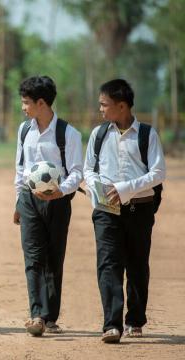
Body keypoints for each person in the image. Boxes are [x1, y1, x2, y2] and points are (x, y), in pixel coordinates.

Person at [83, 79, 166, 343]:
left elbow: (158, 172)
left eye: (104, 105)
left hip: (139, 209)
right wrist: (97, 191)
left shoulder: (147, 134)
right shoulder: (98, 134)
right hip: (106, 211)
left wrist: (125, 189)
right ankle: (112, 324)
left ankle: (135, 320)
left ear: (121, 106)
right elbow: (89, 168)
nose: (101, 110)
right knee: (108, 264)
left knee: (137, 265)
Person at [13, 76, 83, 336]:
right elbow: (20, 168)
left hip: (58, 202)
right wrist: (18, 201)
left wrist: (60, 191)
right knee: (32, 258)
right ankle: (37, 315)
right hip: (29, 201)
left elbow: (77, 172)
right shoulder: (24, 131)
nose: (23, 107)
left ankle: (50, 317)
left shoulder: (69, 133)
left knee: (54, 259)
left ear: (41, 103)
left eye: (26, 102)